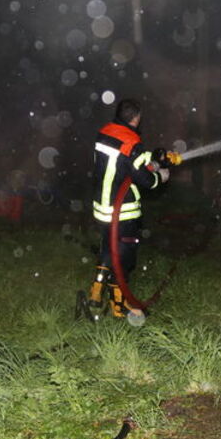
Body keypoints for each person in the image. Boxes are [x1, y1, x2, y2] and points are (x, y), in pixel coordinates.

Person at [87, 98, 170, 319]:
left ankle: (96, 291)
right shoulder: (133, 143)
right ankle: (119, 306)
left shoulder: (105, 132)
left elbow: (124, 163)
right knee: (123, 257)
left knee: (108, 247)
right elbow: (143, 179)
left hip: (102, 207)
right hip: (123, 210)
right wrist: (160, 177)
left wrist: (152, 160)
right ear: (137, 117)